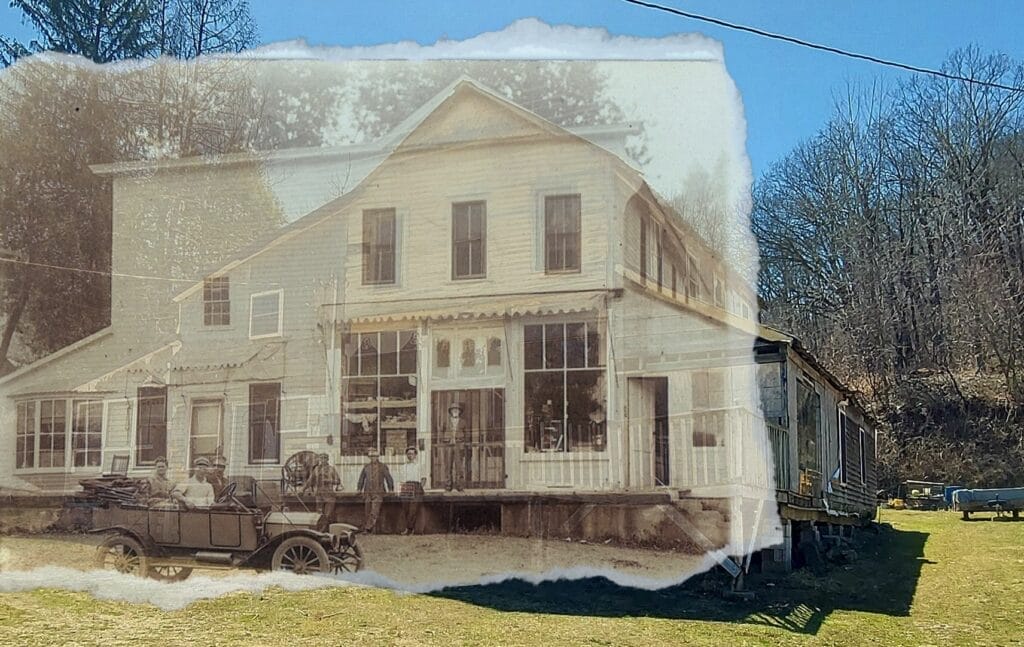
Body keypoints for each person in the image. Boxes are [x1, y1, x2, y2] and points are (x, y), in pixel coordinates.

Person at [356, 448, 393, 532]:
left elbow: (388, 478)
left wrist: (391, 488)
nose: (373, 458)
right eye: (371, 456)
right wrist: (359, 488)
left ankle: (367, 528)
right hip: (368, 492)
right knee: (367, 511)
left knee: (374, 511)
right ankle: (370, 528)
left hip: (378, 492)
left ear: (378, 457)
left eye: (375, 456)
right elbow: (361, 478)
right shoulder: (366, 467)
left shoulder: (383, 466)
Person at [302, 452, 342, 531]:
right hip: (319, 494)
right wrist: (303, 489)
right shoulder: (316, 469)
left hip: (329, 495)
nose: (322, 460)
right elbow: (310, 481)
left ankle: (326, 531)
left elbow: (338, 480)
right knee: (319, 514)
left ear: (327, 460)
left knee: (328, 514)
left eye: (324, 458)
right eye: (321, 458)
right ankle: (320, 530)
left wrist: (328, 480)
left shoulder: (331, 469)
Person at [437, 402, 468, 491]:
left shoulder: (463, 422)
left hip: (459, 446)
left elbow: (467, 434)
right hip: (448, 446)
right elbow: (440, 432)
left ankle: (460, 487)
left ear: (459, 412)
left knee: (459, 467)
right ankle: (448, 486)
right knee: (448, 466)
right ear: (450, 411)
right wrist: (443, 440)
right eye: (453, 410)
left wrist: (463, 442)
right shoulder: (446, 421)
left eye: (457, 410)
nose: (455, 411)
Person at [399, 446, 426, 535]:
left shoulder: (419, 465)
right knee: (406, 508)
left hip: (416, 486)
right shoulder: (404, 466)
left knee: (413, 509)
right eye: (408, 454)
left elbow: (423, 478)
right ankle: (409, 528)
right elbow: (402, 479)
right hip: (406, 486)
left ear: (415, 455)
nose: (410, 455)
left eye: (412, 454)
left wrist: (420, 488)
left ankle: (409, 529)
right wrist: (402, 489)